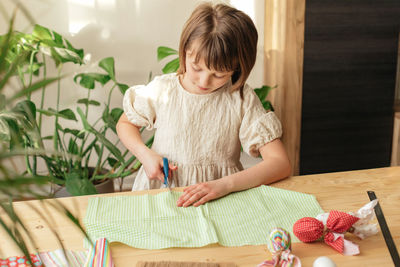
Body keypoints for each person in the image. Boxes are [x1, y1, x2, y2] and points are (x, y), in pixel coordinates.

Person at [116, 2, 291, 208]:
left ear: (237, 68)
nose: (204, 82)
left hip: (221, 199)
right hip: (162, 195)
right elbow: (125, 124)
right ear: (185, 51)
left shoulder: (241, 99)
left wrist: (224, 185)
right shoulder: (163, 90)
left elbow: (280, 163)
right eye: (196, 67)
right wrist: (145, 154)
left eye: (219, 74)